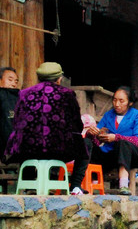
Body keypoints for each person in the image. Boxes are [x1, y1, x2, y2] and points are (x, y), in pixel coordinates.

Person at [5, 62, 90, 192]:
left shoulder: (24, 94)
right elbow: (76, 125)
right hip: (59, 150)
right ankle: (75, 186)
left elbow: (17, 122)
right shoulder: (67, 94)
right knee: (87, 143)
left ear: (38, 78)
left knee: (23, 138)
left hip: (28, 150)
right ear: (59, 78)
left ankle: (28, 184)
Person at [84, 86, 138, 195]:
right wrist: (95, 134)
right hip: (112, 154)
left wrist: (116, 137)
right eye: (114, 100)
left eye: (121, 101)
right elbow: (99, 134)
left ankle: (123, 185)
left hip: (134, 156)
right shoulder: (108, 115)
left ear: (130, 103)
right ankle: (92, 183)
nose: (117, 104)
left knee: (122, 143)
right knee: (89, 145)